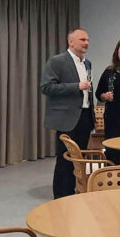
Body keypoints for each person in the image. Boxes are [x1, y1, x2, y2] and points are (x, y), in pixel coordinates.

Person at [40, 28, 94, 198]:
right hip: (66, 119)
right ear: (71, 42)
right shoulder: (57, 61)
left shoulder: (87, 63)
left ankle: (75, 193)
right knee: (64, 160)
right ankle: (61, 197)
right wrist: (76, 86)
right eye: (82, 40)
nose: (86, 43)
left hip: (85, 116)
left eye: (87, 40)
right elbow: (46, 87)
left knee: (79, 159)